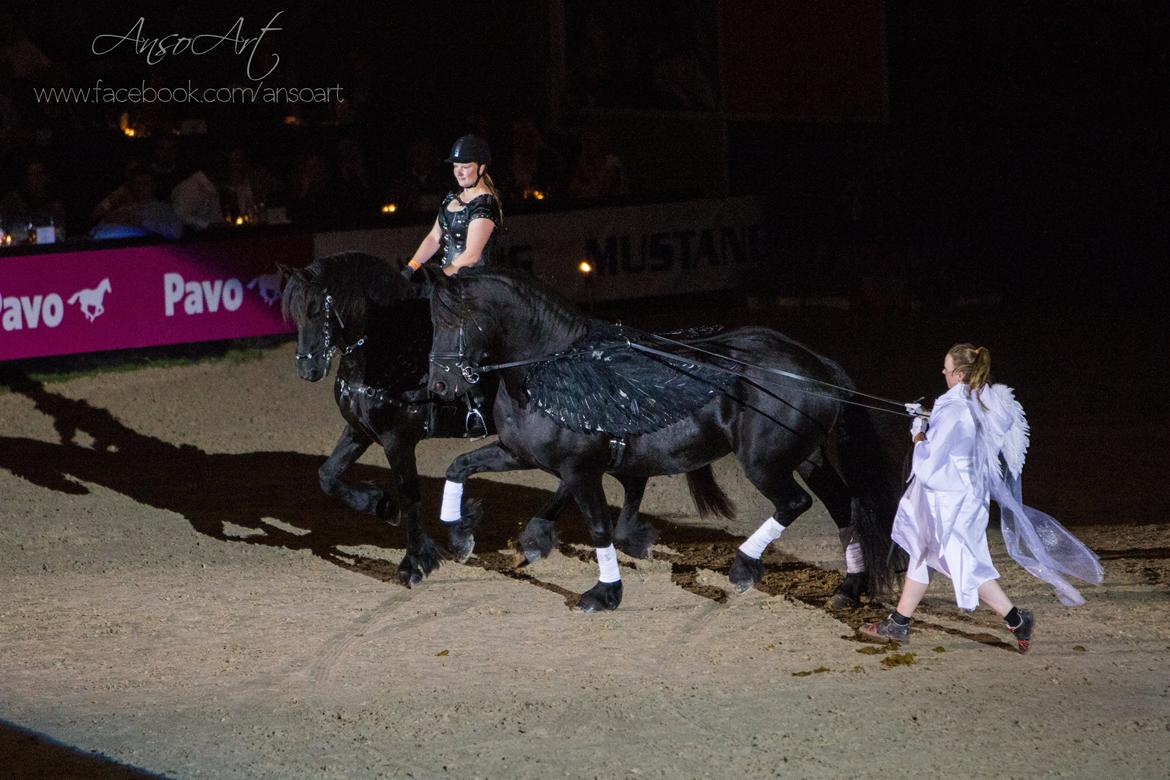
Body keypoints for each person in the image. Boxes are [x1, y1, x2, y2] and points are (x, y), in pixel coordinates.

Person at [859, 344, 1103, 652]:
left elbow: (931, 459)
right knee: (924, 551)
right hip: (966, 492)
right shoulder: (983, 399)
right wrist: (932, 417)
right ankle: (900, 621)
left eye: (946, 370)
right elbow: (960, 430)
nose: (943, 374)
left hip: (949, 496)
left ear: (960, 374)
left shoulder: (955, 407)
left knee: (961, 563)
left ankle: (1016, 618)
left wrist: (919, 432)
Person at [401, 134, 502, 279]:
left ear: (481, 168)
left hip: (476, 284)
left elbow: (472, 256)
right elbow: (434, 237)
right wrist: (411, 268)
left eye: (465, 167)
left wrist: (438, 277)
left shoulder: (485, 204)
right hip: (450, 282)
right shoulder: (452, 199)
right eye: (455, 166)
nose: (458, 173)